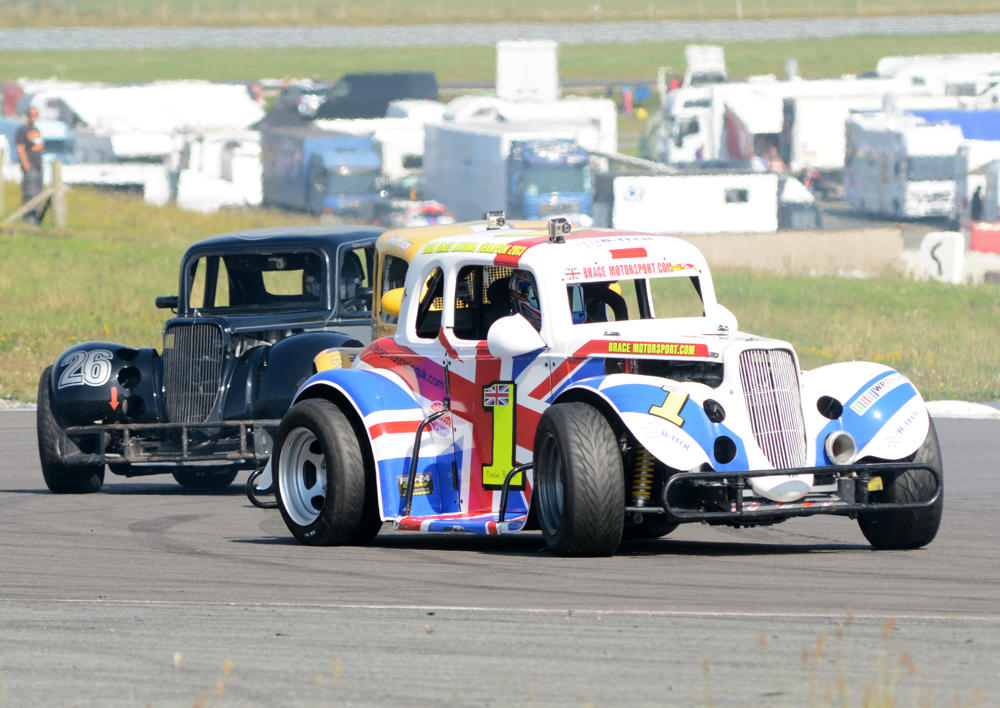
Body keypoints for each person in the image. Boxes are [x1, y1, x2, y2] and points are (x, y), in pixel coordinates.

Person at [15, 106, 44, 225]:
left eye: (36, 114)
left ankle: (36, 218)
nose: (33, 116)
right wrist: (26, 164)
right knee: (30, 192)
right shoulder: (22, 130)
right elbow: (20, 148)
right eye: (31, 114)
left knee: (38, 191)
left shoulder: (36, 130)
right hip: (29, 166)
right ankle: (29, 219)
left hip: (38, 165)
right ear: (27, 115)